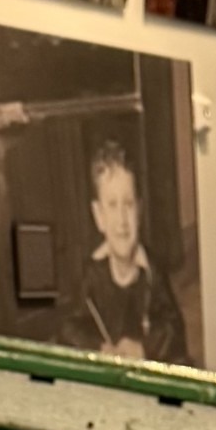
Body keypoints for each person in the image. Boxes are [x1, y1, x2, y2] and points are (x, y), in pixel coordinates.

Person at [76, 140, 186, 360]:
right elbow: (69, 329)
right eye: (113, 205)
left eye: (128, 204)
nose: (122, 220)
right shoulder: (90, 275)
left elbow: (174, 329)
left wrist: (145, 348)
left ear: (140, 210)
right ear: (99, 216)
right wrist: (99, 349)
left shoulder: (153, 273)